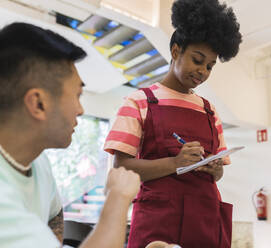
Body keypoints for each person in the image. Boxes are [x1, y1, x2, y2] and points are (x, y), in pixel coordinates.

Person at [103, 0, 243, 247]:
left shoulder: (209, 110)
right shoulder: (139, 101)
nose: (203, 71)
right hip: (159, 223)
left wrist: (215, 169)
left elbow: (218, 173)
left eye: (210, 66)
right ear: (176, 51)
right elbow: (121, 167)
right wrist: (175, 163)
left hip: (205, 221)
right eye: (197, 60)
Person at [0, 22, 141, 248]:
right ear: (38, 103)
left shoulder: (37, 163)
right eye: (77, 95)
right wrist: (118, 198)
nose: (80, 109)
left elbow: (54, 213)